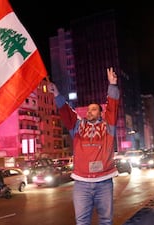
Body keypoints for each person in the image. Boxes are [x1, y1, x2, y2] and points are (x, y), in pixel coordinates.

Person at [49, 67, 119, 225]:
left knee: (106, 221)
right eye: (88, 109)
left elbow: (113, 106)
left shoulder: (108, 126)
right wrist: (56, 94)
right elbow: (66, 111)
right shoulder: (78, 127)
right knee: (81, 222)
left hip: (104, 182)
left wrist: (112, 85)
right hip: (81, 183)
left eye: (94, 109)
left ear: (101, 113)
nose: (89, 111)